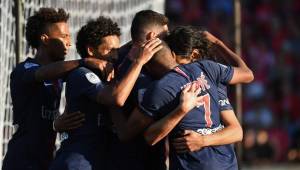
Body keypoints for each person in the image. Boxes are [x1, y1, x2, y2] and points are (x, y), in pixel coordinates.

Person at [111, 26, 253, 170]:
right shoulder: (209, 69)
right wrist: (217, 43)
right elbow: (248, 75)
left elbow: (138, 135)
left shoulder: (160, 89)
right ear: (172, 54)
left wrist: (201, 138)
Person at [2, 8, 111, 170]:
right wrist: (84, 61)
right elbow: (41, 74)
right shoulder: (24, 70)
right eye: (63, 36)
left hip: (46, 161)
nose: (69, 42)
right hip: (21, 161)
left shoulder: (61, 73)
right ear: (45, 39)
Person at [49, 16, 162, 170]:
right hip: (77, 163)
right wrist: (139, 62)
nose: (116, 56)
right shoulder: (81, 74)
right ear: (91, 50)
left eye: (117, 49)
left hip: (98, 161)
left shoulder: (110, 72)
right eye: (110, 50)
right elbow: (116, 98)